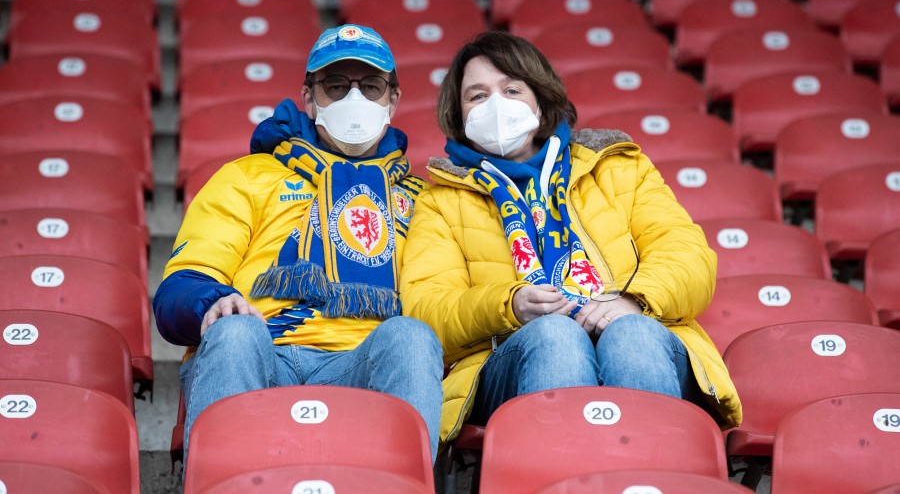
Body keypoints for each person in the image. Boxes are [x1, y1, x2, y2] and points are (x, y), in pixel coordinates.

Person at [399, 31, 742, 445]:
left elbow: (689, 257)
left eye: (511, 89)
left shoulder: (617, 167)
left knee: (630, 333)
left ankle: (656, 474)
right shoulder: (440, 199)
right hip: (511, 357)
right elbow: (426, 310)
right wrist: (508, 305)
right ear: (459, 115)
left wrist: (631, 301)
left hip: (638, 335)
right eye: (477, 96)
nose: (495, 105)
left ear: (541, 99)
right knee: (555, 335)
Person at [154, 24, 444, 463]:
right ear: (309, 98)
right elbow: (177, 293)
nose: (354, 100)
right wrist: (212, 301)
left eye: (370, 87)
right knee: (234, 333)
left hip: (363, 361)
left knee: (410, 336)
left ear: (393, 100)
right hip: (260, 353)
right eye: (335, 86)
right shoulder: (247, 176)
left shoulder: (424, 201)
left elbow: (442, 300)